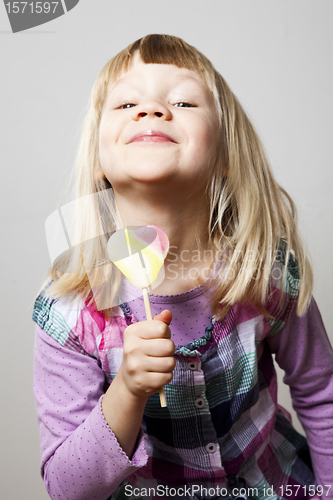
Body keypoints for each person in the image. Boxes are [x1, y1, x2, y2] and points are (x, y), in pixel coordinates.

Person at [32, 34, 333, 500]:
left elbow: (320, 392)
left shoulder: (265, 271)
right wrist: (127, 391)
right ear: (98, 159)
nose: (151, 109)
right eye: (127, 102)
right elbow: (69, 490)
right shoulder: (69, 311)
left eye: (183, 101)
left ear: (227, 156)